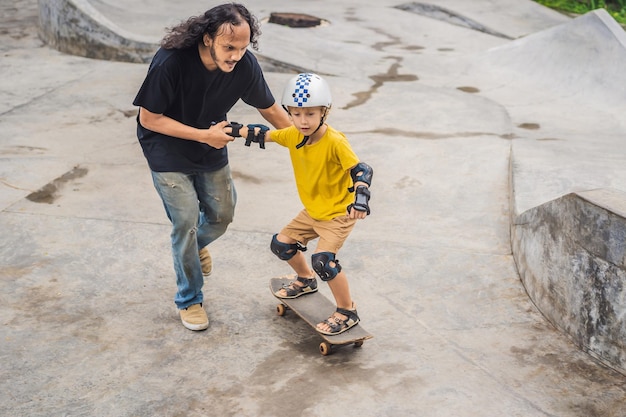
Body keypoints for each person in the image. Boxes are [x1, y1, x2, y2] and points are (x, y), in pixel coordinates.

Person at [132, 3, 291, 331]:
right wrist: (204, 135)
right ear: (207, 38)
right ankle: (189, 299)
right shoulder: (171, 62)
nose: (235, 55)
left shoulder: (244, 66)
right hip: (166, 149)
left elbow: (270, 109)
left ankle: (192, 249)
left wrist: (304, 139)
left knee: (222, 215)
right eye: (228, 47)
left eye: (243, 48)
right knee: (186, 222)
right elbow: (149, 118)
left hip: (210, 144)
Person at [234, 73, 373, 334]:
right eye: (296, 114)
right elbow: (262, 135)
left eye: (310, 114)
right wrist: (233, 130)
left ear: (324, 112)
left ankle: (347, 310)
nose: (302, 121)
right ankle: (306, 280)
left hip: (337, 215)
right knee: (281, 245)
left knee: (324, 262)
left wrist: (361, 198)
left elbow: (361, 170)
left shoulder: (335, 142)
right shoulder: (293, 135)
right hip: (312, 212)